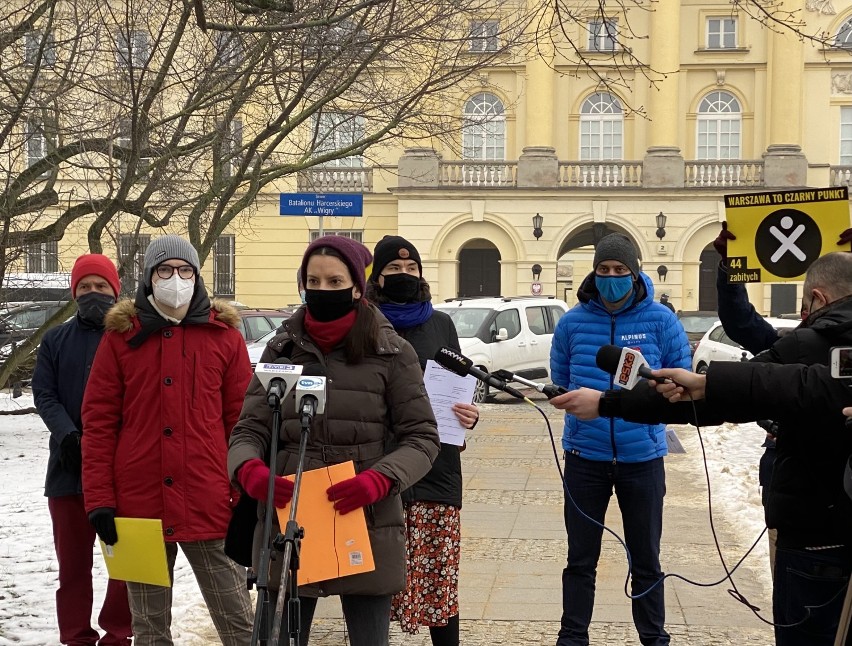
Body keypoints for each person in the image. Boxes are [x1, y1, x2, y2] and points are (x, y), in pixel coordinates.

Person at [228, 234, 440, 646]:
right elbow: (248, 430)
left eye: (334, 282)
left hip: (366, 519)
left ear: (358, 288)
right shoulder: (281, 348)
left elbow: (422, 437)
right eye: (313, 281)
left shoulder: (391, 352)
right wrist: (250, 471)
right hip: (289, 519)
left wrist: (380, 480)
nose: (322, 291)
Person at [81, 235, 254, 646]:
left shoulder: (224, 336)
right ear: (148, 278)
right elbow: (99, 424)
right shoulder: (121, 338)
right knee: (149, 631)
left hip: (209, 501)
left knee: (239, 625)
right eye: (164, 270)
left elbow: (242, 422)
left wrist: (243, 487)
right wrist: (100, 499)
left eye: (184, 270)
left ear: (197, 277)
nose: (174, 279)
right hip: (138, 507)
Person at [548, 233, 691, 646]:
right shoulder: (572, 322)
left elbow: (679, 387)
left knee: (646, 559)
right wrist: (562, 397)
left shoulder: (661, 320)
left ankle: (654, 637)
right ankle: (572, 637)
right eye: (604, 270)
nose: (611, 277)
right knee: (580, 559)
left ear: (635, 272)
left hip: (642, 458)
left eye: (620, 270)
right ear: (594, 273)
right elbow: (560, 377)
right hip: (584, 458)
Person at [364, 235, 478, 646]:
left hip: (437, 469)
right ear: (377, 276)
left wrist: (469, 415)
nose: (404, 276)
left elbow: (460, 388)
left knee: (439, 585)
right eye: (394, 270)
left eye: (411, 269)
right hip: (377, 470)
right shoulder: (362, 322)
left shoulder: (442, 324)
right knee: (373, 585)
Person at [33, 254, 133, 646]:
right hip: (67, 470)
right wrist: (69, 436)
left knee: (124, 566)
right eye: (86, 287)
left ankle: (118, 634)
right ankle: (75, 636)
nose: (94, 294)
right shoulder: (55, 339)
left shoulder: (130, 337)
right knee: (72, 567)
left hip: (120, 472)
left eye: (101, 286)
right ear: (74, 292)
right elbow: (45, 394)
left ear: (116, 290)